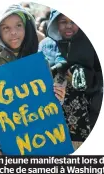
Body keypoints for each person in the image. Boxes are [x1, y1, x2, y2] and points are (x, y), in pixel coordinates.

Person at [0, 4, 66, 157]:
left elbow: (45, 106)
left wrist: (57, 98)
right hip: (7, 148)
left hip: (44, 143)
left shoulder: (39, 61)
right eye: (5, 28)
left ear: (27, 27)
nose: (13, 32)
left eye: (18, 25)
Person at [39, 10, 103, 149]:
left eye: (73, 21)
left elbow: (100, 77)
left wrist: (85, 76)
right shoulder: (45, 45)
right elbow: (37, 77)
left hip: (87, 115)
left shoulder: (91, 45)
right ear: (55, 23)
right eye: (63, 22)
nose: (69, 26)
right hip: (53, 114)